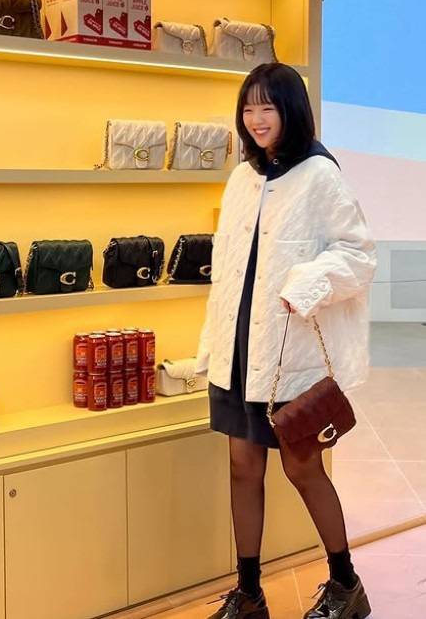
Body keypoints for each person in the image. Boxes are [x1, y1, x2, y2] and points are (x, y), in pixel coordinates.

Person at [195, 63, 377, 619]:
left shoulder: (320, 174)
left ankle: (346, 585)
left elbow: (358, 254)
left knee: (302, 468)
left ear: (290, 110)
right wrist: (211, 340)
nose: (256, 119)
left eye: (267, 107)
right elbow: (230, 267)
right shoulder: (242, 177)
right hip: (238, 348)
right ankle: (249, 594)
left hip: (289, 353)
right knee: (242, 467)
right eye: (248, 108)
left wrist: (309, 283)